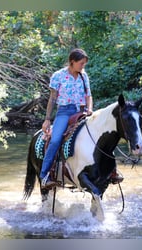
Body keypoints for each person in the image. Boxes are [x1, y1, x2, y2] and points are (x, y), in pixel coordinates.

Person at [40, 48, 93, 189]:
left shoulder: (84, 76)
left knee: (98, 134)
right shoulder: (58, 76)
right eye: (81, 63)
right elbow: (52, 99)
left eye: (84, 64)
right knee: (56, 139)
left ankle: (109, 171)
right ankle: (44, 176)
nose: (83, 66)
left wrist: (90, 108)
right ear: (72, 62)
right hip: (64, 112)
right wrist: (47, 119)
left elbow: (88, 95)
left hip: (81, 112)